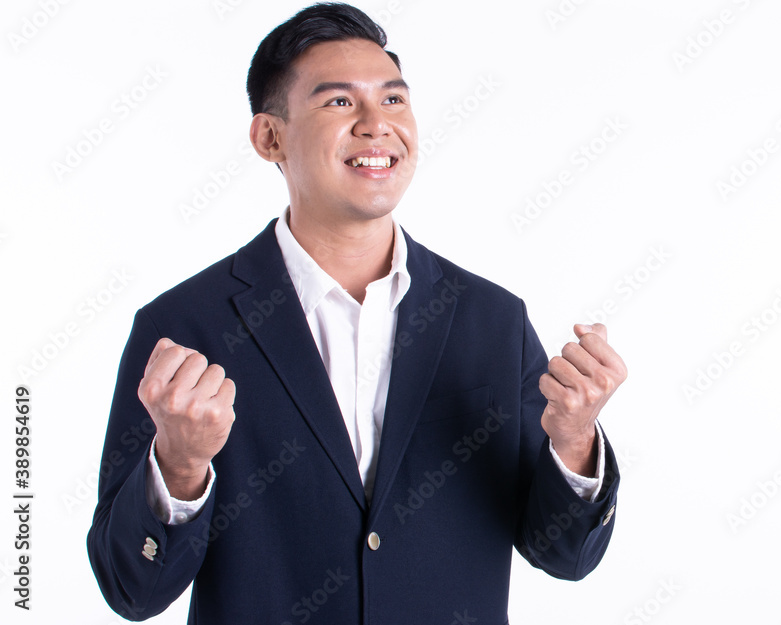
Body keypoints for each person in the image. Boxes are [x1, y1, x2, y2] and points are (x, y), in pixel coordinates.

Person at [87, 3, 627, 623]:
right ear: (270, 138)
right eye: (340, 102)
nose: (377, 125)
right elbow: (132, 589)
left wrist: (575, 441)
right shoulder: (183, 328)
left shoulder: (492, 320)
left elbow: (565, 555)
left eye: (393, 100)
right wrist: (180, 465)